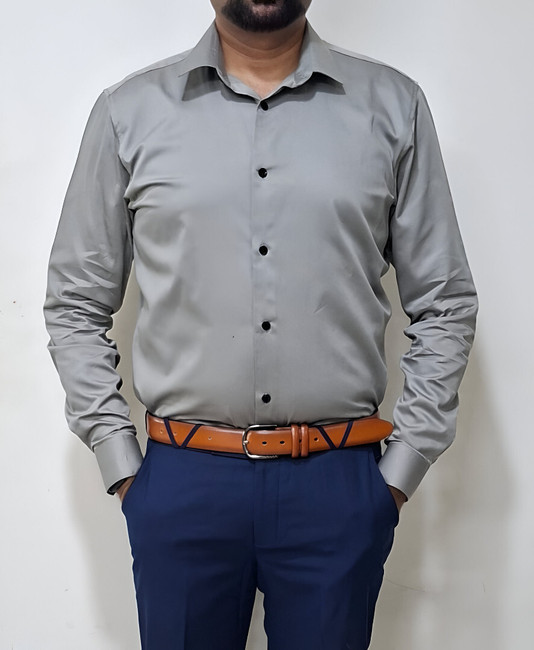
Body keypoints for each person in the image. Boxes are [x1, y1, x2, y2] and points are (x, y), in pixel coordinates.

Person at [44, 1, 478, 648]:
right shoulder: (127, 113)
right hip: (183, 483)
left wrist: (399, 471)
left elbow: (444, 301)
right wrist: (122, 462)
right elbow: (75, 301)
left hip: (337, 486)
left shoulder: (394, 107)